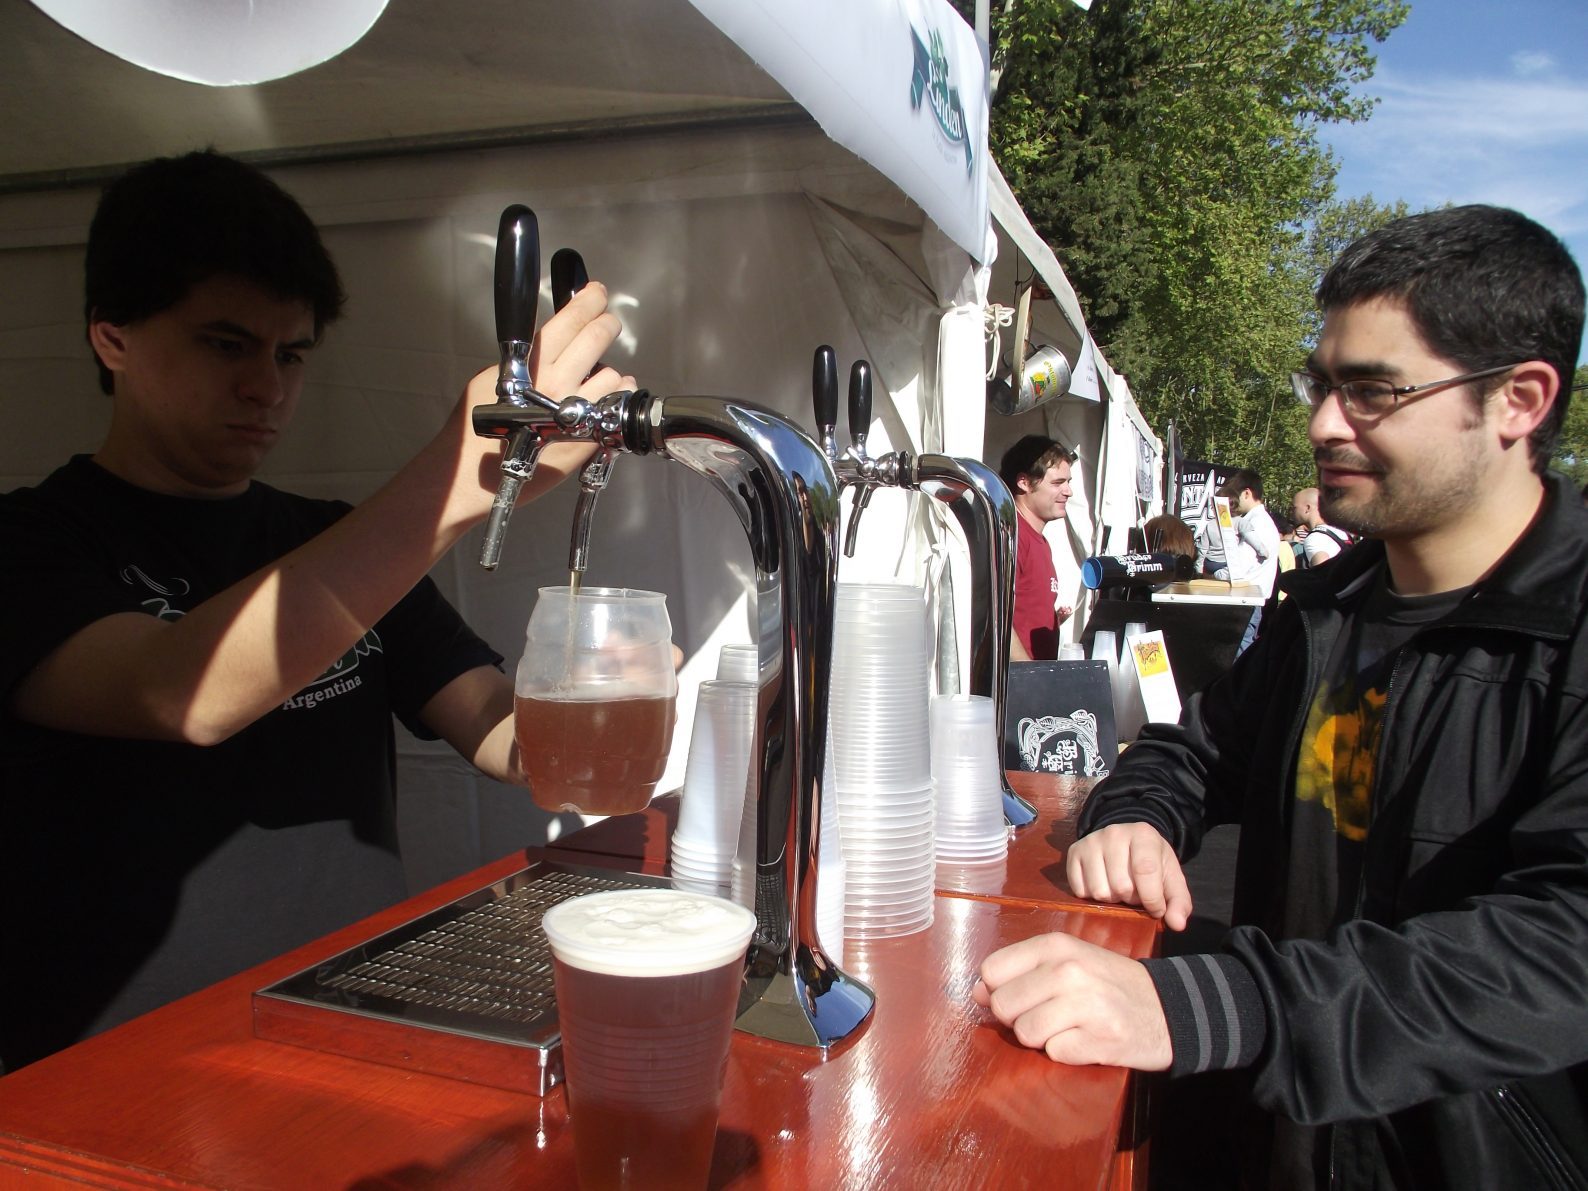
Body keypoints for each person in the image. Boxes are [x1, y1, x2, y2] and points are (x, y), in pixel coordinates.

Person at [972, 204, 1588, 1189]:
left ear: (1517, 400)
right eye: (1320, 384)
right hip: (1270, 1144)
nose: (1320, 425)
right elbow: (1193, 750)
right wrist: (1136, 817)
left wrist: (1208, 1007)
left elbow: (1558, 950)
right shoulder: (1325, 611)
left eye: (1371, 392)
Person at [0, 151, 629, 1071]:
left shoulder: (332, 538)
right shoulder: (31, 541)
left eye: (291, 353)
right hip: (119, 1081)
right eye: (227, 343)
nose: (268, 385)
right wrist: (452, 483)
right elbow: (184, 692)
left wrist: (637, 691)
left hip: (355, 1035)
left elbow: (506, 737)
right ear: (112, 336)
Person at [998, 435, 1076, 661]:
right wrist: (1029, 679)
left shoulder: (1040, 541)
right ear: (1024, 482)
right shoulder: (1012, 537)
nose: (1068, 491)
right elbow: (997, 618)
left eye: (1068, 482)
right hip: (1019, 687)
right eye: (1057, 483)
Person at [1290, 485, 1352, 566]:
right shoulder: (1341, 532)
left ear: (1307, 508)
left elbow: (1322, 572)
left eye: (1294, 508)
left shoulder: (1316, 538)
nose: (1292, 512)